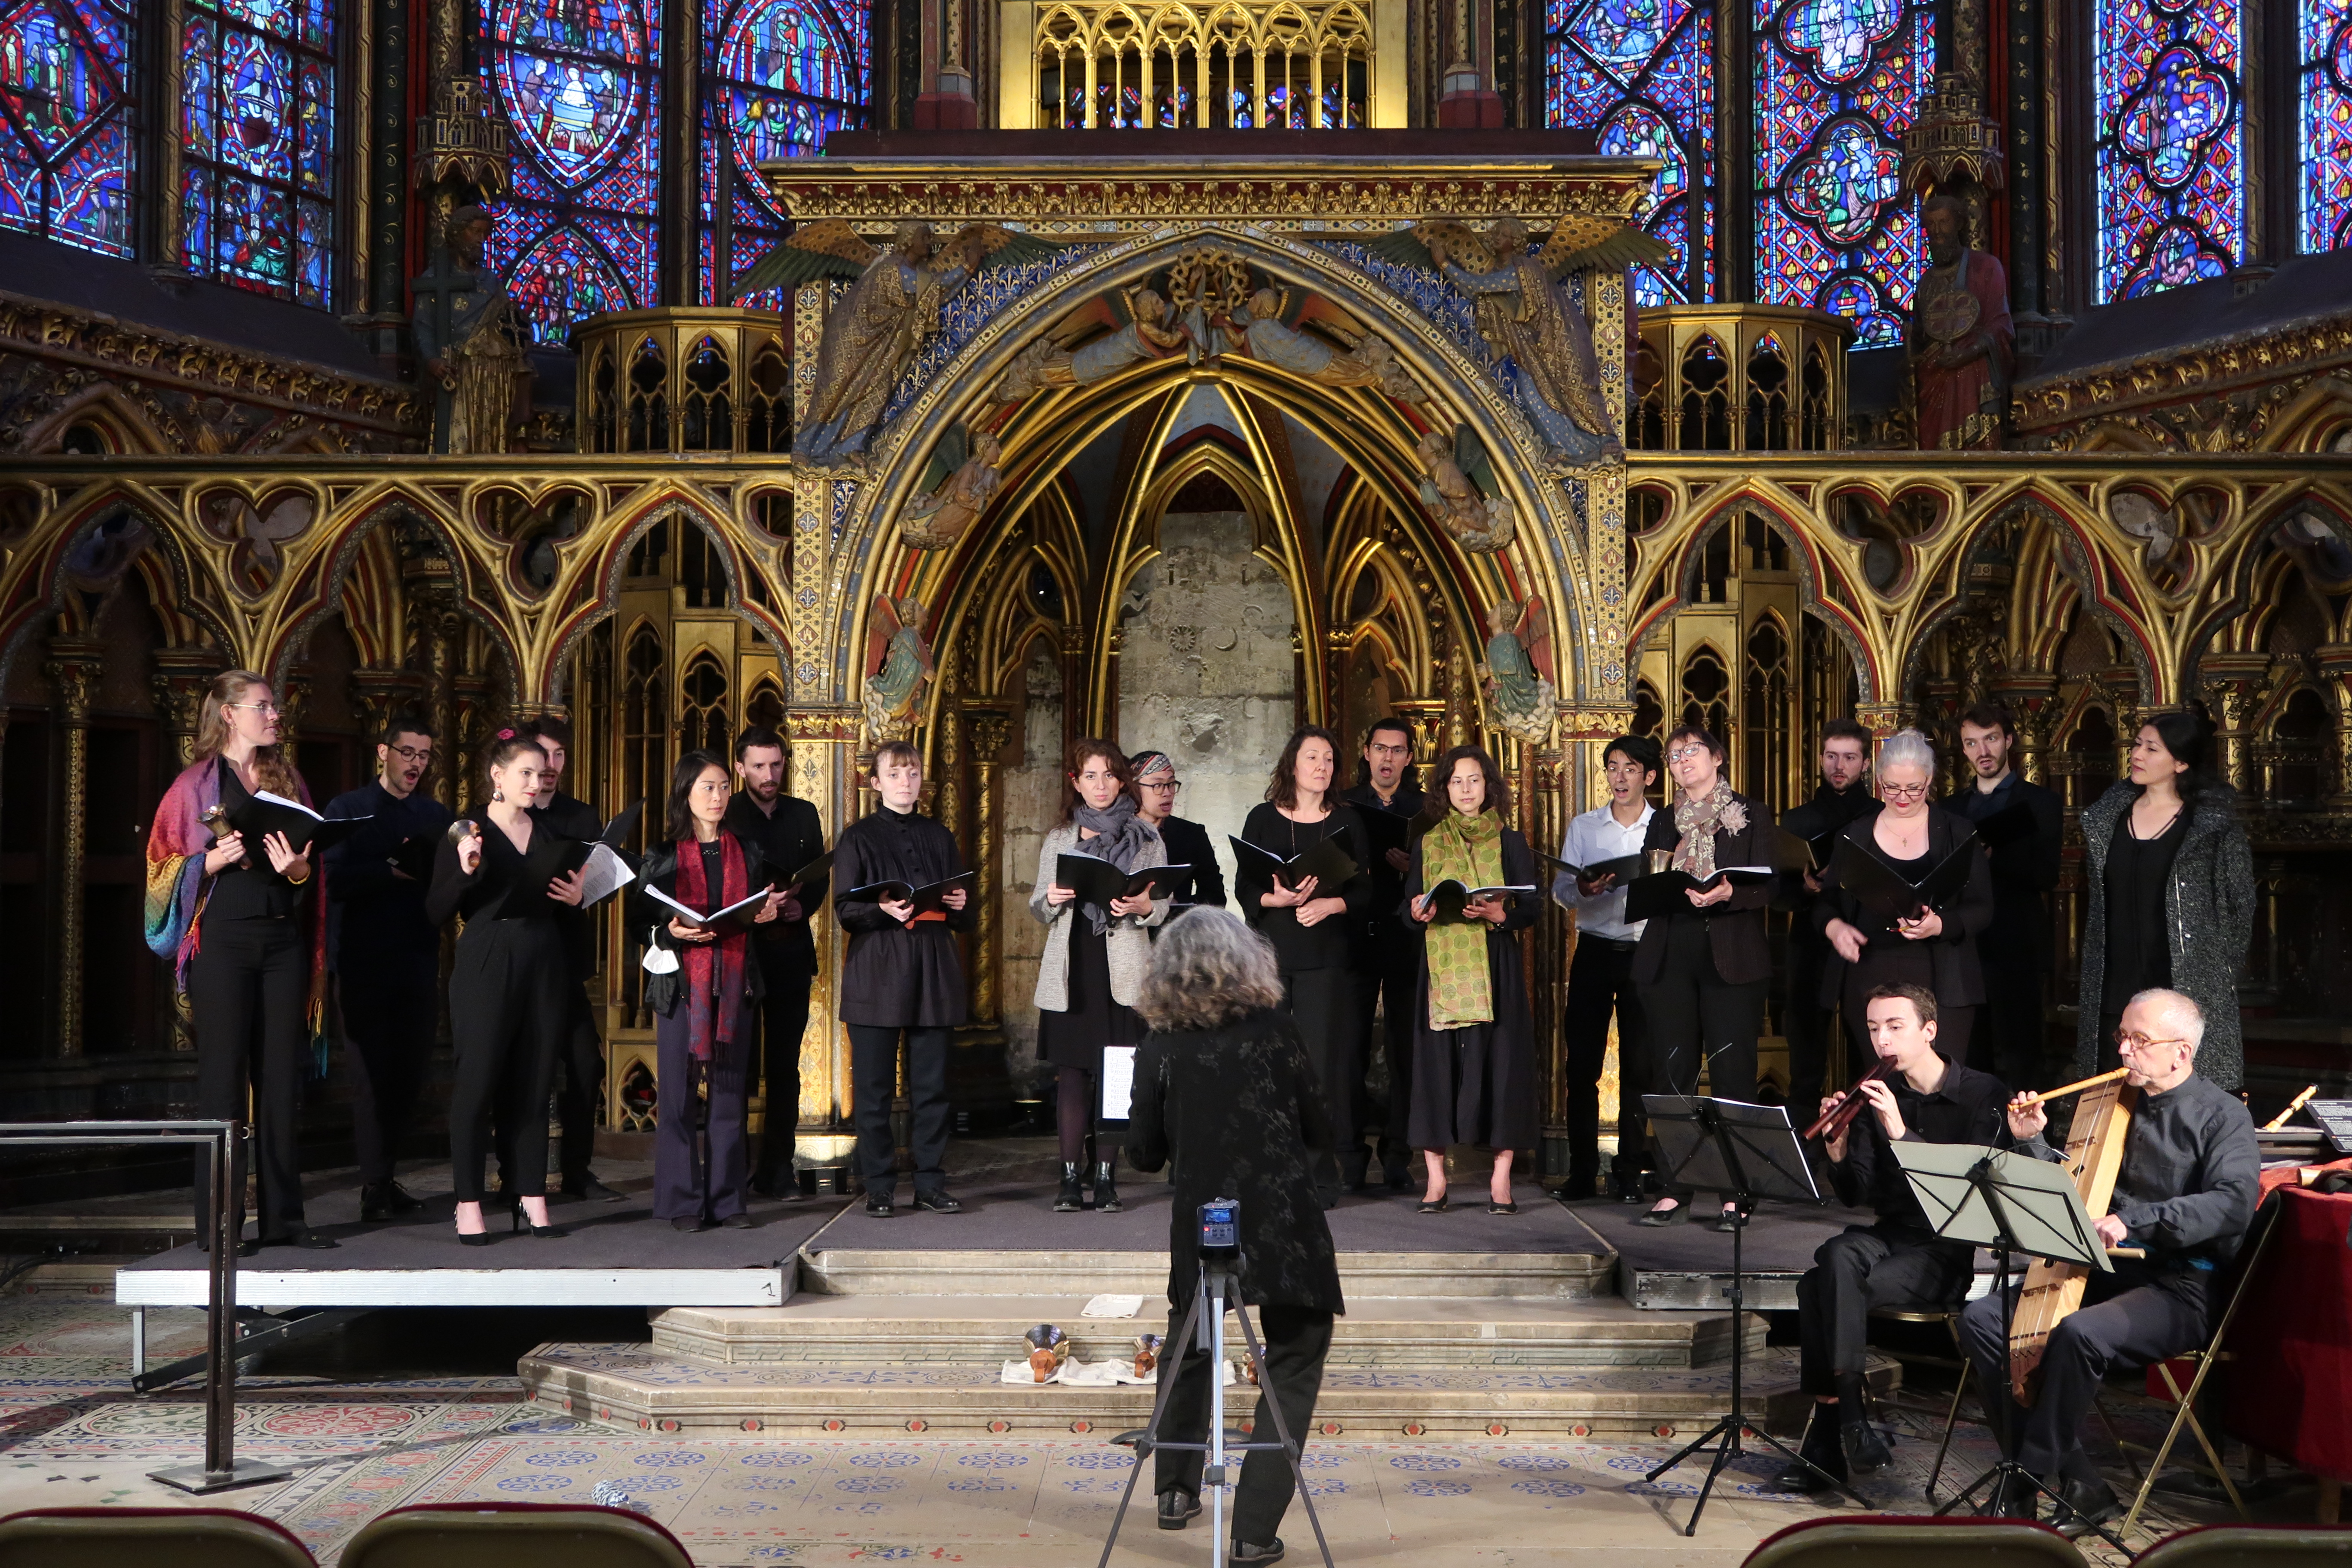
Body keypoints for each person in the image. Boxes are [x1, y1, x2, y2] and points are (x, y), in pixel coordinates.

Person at [1956, 988, 2259, 1534]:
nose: (2123, 1049)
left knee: (2079, 1334)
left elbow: (2232, 1204)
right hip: (2104, 1271)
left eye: (2139, 1040)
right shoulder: (2112, 1103)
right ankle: (2082, 1485)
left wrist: (2136, 1221)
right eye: (2122, 1036)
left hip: (2180, 1287)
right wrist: (2035, 1144)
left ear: (2181, 1053)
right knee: (1982, 1320)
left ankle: (2024, 1480)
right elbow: (2076, 1195)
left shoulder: (2222, 1118)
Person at [1126, 909, 1344, 1567]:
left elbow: (1140, 1153)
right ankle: (1252, 1530)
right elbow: (1320, 1124)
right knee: (1298, 1350)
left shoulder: (1159, 1043)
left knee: (1191, 1341)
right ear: (1248, 961)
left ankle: (1173, 1491)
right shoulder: (1276, 1031)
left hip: (1204, 1220)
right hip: (1284, 1218)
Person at [1776, 983, 2009, 1494]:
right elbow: (1858, 1192)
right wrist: (1837, 1150)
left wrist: (1901, 1132)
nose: (1882, 1039)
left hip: (1944, 1249)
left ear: (1930, 1031)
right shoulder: (1874, 1093)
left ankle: (1829, 1437)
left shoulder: (1981, 1093)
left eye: (1895, 1027)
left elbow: (1971, 1194)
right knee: (1837, 1253)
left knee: (1818, 1287)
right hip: (1889, 1236)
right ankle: (1854, 1424)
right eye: (1874, 1028)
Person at [144, 671, 333, 1251]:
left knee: (281, 1082)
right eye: (263, 707)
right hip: (222, 943)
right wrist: (211, 862)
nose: (275, 716)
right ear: (228, 714)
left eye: (274, 707)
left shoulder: (288, 780)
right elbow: (159, 870)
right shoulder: (191, 787)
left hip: (281, 942)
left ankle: (286, 1221)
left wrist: (297, 869)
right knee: (224, 1086)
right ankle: (219, 1227)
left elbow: (308, 871)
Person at [427, 732, 588, 1244]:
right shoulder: (466, 830)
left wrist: (578, 895)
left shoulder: (546, 834)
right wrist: (465, 869)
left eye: (541, 774)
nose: (536, 782)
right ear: (497, 776)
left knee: (536, 1082)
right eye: (525, 773)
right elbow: (435, 910)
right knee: (478, 1083)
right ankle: (469, 1202)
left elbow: (562, 901)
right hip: (488, 962)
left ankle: (531, 1194)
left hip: (543, 962)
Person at [1632, 724, 1776, 1231]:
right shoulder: (1663, 821)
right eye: (1674, 756)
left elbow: (1768, 886)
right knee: (1672, 1073)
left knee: (1735, 1074)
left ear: (1717, 758)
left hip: (1731, 951)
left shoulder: (1750, 813)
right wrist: (1672, 886)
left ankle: (1739, 1190)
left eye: (1692, 751)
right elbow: (1646, 888)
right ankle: (1676, 1184)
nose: (1682, 761)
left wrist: (1727, 893)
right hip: (1672, 950)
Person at [635, 750, 786, 1231]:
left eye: (723, 786)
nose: (718, 796)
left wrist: (767, 914)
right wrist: (670, 933)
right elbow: (642, 923)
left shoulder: (749, 850)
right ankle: (682, 1202)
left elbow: (758, 908)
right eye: (708, 787)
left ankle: (728, 1201)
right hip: (680, 987)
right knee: (678, 1099)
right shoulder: (661, 856)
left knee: (728, 1098)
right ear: (685, 794)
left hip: (734, 984)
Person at [2074, 714, 2254, 1090]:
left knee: (2182, 1098)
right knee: (2114, 1090)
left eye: (2151, 748)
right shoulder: (2108, 819)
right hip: (2117, 982)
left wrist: (2215, 972)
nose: (2136, 754)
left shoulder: (2210, 825)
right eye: (2137, 744)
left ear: (2181, 763)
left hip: (2184, 983)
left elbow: (2240, 906)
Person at [833, 739, 973, 1216]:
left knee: (932, 1087)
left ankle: (931, 1183)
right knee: (873, 1089)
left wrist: (959, 906)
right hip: (878, 969)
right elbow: (845, 910)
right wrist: (882, 909)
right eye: (894, 775)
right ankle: (879, 1186)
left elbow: (963, 912)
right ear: (876, 783)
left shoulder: (940, 836)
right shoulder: (858, 837)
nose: (905, 782)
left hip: (933, 967)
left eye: (912, 773)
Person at [323, 710, 453, 1222]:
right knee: (370, 1076)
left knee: (407, 1076)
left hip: (417, 957)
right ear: (384, 752)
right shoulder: (348, 809)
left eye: (423, 755)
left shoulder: (434, 814)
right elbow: (329, 881)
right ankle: (373, 1185)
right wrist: (388, 870)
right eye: (407, 753)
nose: (415, 764)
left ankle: (387, 1175)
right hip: (361, 960)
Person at [1032, 739, 1171, 1214]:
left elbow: (1162, 901)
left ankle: (1107, 1179)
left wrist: (1145, 906)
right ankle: (1071, 1178)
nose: (1101, 786)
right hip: (1074, 966)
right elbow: (1038, 905)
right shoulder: (1059, 838)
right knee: (1072, 1076)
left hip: (1123, 966)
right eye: (1090, 776)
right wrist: (1052, 898)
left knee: (1116, 1076)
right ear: (1076, 783)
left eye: (1109, 776)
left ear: (1122, 781)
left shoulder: (1148, 838)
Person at [1237, 726, 1374, 1204]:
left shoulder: (1348, 822)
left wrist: (1331, 906)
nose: (1322, 766)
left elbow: (1365, 893)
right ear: (1292, 764)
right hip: (1271, 958)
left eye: (1330, 760)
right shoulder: (1262, 818)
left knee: (1321, 1068)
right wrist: (1273, 898)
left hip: (1326, 960)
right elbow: (1245, 888)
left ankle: (1321, 1174)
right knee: (1267, 1063)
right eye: (1313, 757)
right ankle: (1269, 1168)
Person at [1403, 746, 1540, 1215]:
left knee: (1502, 1065)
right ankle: (1437, 1179)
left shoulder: (1511, 841)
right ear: (1444, 789)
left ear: (1489, 787)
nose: (1466, 789)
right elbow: (1407, 911)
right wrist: (1417, 910)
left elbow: (1534, 908)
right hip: (1442, 966)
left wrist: (1503, 913)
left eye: (1475, 780)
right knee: (1435, 1068)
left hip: (1495, 961)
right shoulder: (1428, 840)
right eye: (1457, 781)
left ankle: (1501, 1177)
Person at [1816, 728, 1995, 1067]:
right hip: (1870, 973)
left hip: (1942, 977)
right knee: (1881, 1086)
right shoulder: (1855, 834)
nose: (1902, 797)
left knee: (1939, 1084)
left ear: (1929, 781)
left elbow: (1983, 908)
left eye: (1914, 788)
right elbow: (1826, 903)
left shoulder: (1957, 831)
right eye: (1892, 787)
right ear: (1878, 779)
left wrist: (1939, 924)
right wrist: (1836, 928)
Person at [722, 726, 828, 1199]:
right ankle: (732, 1173)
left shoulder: (803, 814)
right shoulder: (726, 815)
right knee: (737, 1067)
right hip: (742, 955)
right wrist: (754, 908)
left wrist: (798, 907)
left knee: (785, 1066)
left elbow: (818, 879)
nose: (770, 775)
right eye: (760, 766)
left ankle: (777, 1171)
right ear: (740, 768)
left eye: (777, 765)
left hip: (789, 951)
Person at [518, 715, 622, 1202]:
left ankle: (578, 1173)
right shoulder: (505, 816)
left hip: (566, 960)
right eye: (543, 756)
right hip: (519, 964)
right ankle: (517, 1176)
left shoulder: (581, 816)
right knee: (522, 1071)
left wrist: (588, 888)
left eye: (560, 756)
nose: (552, 766)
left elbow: (598, 883)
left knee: (586, 1065)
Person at [1554, 734, 1658, 1201]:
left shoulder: (1664, 828)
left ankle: (1631, 1171)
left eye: (1630, 769)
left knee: (1641, 1066)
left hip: (1644, 953)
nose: (1619, 777)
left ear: (1649, 777)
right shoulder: (1585, 827)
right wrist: (1584, 892)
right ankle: (1581, 1171)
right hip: (1595, 950)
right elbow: (1561, 889)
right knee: (1582, 1066)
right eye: (1613, 767)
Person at [1942, 703, 2062, 1086]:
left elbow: (2047, 874)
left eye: (1991, 739)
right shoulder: (1950, 810)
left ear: (2009, 741)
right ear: (1963, 749)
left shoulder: (2040, 802)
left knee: (2023, 1054)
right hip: (1965, 946)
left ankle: (2030, 1143)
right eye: (1972, 743)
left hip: (2018, 946)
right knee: (1970, 1055)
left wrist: (1994, 859)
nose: (1983, 751)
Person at [1341, 717, 1425, 1193]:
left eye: (1397, 751)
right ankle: (1350, 1154)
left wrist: (1417, 869)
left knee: (1404, 1052)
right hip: (1355, 935)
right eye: (1380, 749)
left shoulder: (1423, 808)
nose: (1388, 758)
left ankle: (1398, 1153)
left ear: (1409, 757)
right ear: (1367, 753)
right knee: (1348, 1049)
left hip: (1407, 938)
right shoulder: (1347, 804)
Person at [1779, 720, 1880, 1118]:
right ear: (1821, 758)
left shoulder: (1880, 816)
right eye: (1832, 756)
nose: (1840, 766)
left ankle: (1863, 1152)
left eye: (1850, 758)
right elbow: (1778, 893)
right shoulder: (1797, 820)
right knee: (1806, 1056)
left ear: (1866, 763)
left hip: (1863, 941)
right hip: (1809, 941)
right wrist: (1805, 888)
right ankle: (1805, 1152)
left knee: (1868, 1050)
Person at [1130, 750, 1225, 910]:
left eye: (1171, 784)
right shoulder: (1118, 833)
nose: (1167, 793)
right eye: (1158, 785)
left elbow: (1214, 895)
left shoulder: (1192, 835)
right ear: (1134, 788)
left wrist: (1181, 911)